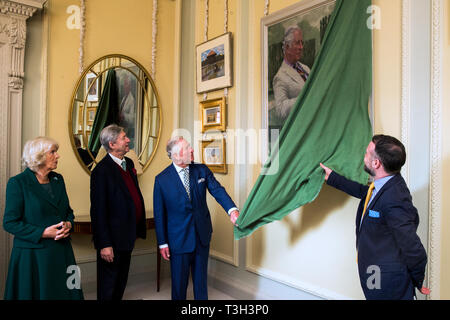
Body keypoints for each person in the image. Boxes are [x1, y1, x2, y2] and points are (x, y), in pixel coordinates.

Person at [320, 134, 430, 300]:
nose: (363, 156)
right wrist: (333, 178)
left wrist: (416, 280)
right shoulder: (385, 184)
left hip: (386, 280)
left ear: (376, 163)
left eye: (366, 153)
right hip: (373, 272)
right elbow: (365, 194)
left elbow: (413, 248)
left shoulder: (395, 198)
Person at [153, 136, 239, 300]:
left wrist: (232, 210)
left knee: (200, 284)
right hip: (178, 240)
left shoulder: (201, 170)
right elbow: (159, 214)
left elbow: (218, 190)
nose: (192, 150)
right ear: (177, 155)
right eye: (187, 148)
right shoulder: (162, 180)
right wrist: (162, 242)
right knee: (179, 286)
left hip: (201, 236)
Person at [3, 137, 83, 300]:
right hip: (33, 256)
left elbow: (68, 212)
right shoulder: (18, 183)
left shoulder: (58, 179)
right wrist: (43, 232)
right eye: (53, 152)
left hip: (62, 251)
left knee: (68, 293)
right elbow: (10, 223)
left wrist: (69, 223)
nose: (58, 156)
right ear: (38, 156)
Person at [90, 124, 146, 300]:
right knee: (108, 286)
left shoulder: (128, 163)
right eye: (124, 137)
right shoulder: (101, 171)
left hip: (127, 235)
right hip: (111, 241)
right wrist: (104, 244)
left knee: (121, 282)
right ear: (112, 144)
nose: (128, 139)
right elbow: (98, 211)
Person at [272, 26, 311, 126]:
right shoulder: (280, 77)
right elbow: (280, 110)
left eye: (302, 43)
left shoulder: (305, 68)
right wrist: (305, 98)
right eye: (297, 43)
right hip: (301, 127)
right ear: (287, 47)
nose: (301, 47)